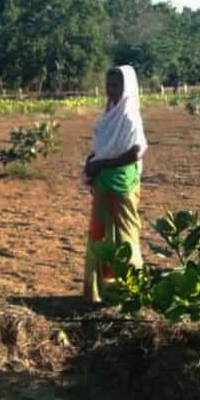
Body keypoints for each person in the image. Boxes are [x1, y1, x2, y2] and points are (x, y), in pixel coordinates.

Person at [83, 65, 148, 303]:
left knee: (126, 234)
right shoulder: (109, 115)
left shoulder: (130, 116)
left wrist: (101, 165)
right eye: (109, 84)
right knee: (101, 234)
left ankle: (131, 289)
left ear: (128, 87)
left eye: (117, 85)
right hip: (103, 181)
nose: (112, 90)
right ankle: (100, 289)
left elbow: (135, 152)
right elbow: (101, 148)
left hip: (122, 183)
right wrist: (92, 161)